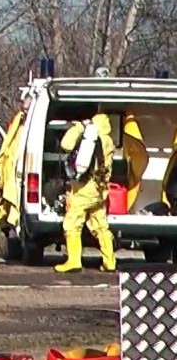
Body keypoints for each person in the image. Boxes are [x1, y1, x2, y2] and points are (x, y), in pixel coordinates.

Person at [55, 112, 116, 273]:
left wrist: (79, 127)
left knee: (72, 223)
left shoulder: (90, 138)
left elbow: (66, 144)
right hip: (101, 189)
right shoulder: (108, 141)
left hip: (85, 189)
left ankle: (74, 261)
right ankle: (110, 261)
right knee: (100, 225)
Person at [0, 92, 31, 237]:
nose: (25, 112)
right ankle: (11, 226)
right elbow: (9, 148)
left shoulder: (30, 126)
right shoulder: (17, 124)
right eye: (24, 108)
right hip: (15, 172)